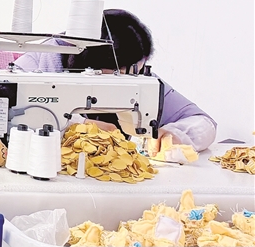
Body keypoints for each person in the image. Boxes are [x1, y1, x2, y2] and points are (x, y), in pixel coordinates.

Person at [14, 9, 217, 151]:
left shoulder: (138, 77)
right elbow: (8, 116)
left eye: (135, 71)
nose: (131, 78)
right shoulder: (37, 64)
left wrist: (175, 134)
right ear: (89, 67)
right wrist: (77, 125)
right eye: (119, 74)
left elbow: (204, 123)